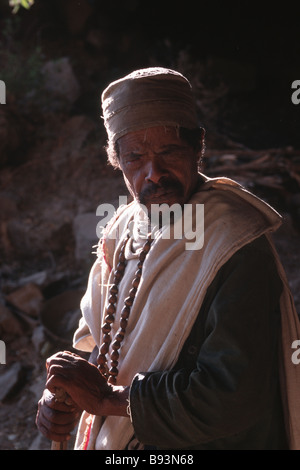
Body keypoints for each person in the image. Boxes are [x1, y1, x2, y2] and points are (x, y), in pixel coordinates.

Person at [36, 67, 300, 450]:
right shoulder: (121, 230)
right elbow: (99, 344)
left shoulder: (234, 243)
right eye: (135, 158)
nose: (153, 173)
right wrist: (63, 398)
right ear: (118, 162)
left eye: (168, 152)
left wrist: (105, 400)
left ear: (198, 148)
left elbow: (231, 397)